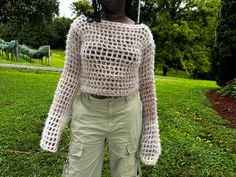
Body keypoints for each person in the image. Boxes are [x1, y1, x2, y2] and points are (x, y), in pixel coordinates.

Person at [40, 0, 161, 176]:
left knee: (126, 172)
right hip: (89, 111)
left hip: (127, 113)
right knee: (79, 171)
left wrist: (151, 128)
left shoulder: (142, 34)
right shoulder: (81, 26)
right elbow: (70, 75)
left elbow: (147, 85)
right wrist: (55, 122)